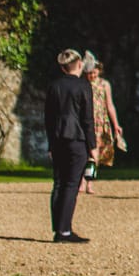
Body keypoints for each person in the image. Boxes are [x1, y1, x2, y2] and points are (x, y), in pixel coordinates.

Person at [45, 49, 94, 243]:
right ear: (79, 65)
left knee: (58, 183)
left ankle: (59, 226)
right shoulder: (83, 85)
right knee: (71, 184)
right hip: (76, 138)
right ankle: (64, 231)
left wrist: (50, 143)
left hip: (57, 138)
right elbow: (87, 118)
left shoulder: (54, 86)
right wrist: (93, 146)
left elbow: (48, 118)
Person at [81, 53, 125, 194]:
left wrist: (116, 124)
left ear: (99, 70)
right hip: (86, 121)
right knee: (84, 152)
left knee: (95, 155)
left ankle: (90, 182)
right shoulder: (83, 84)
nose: (92, 76)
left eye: (94, 72)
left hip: (100, 122)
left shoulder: (104, 85)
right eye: (89, 73)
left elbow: (110, 105)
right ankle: (81, 181)